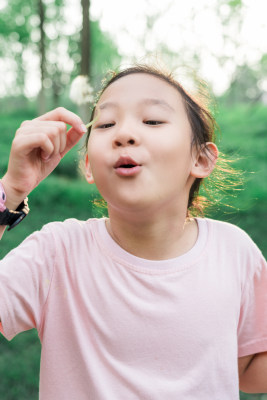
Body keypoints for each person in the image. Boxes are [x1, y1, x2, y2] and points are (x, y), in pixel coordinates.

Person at [0, 64, 267, 400]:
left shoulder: (235, 253)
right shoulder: (57, 253)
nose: (123, 133)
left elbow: (248, 369)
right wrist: (10, 190)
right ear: (88, 166)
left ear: (200, 159)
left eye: (153, 120)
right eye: (107, 123)